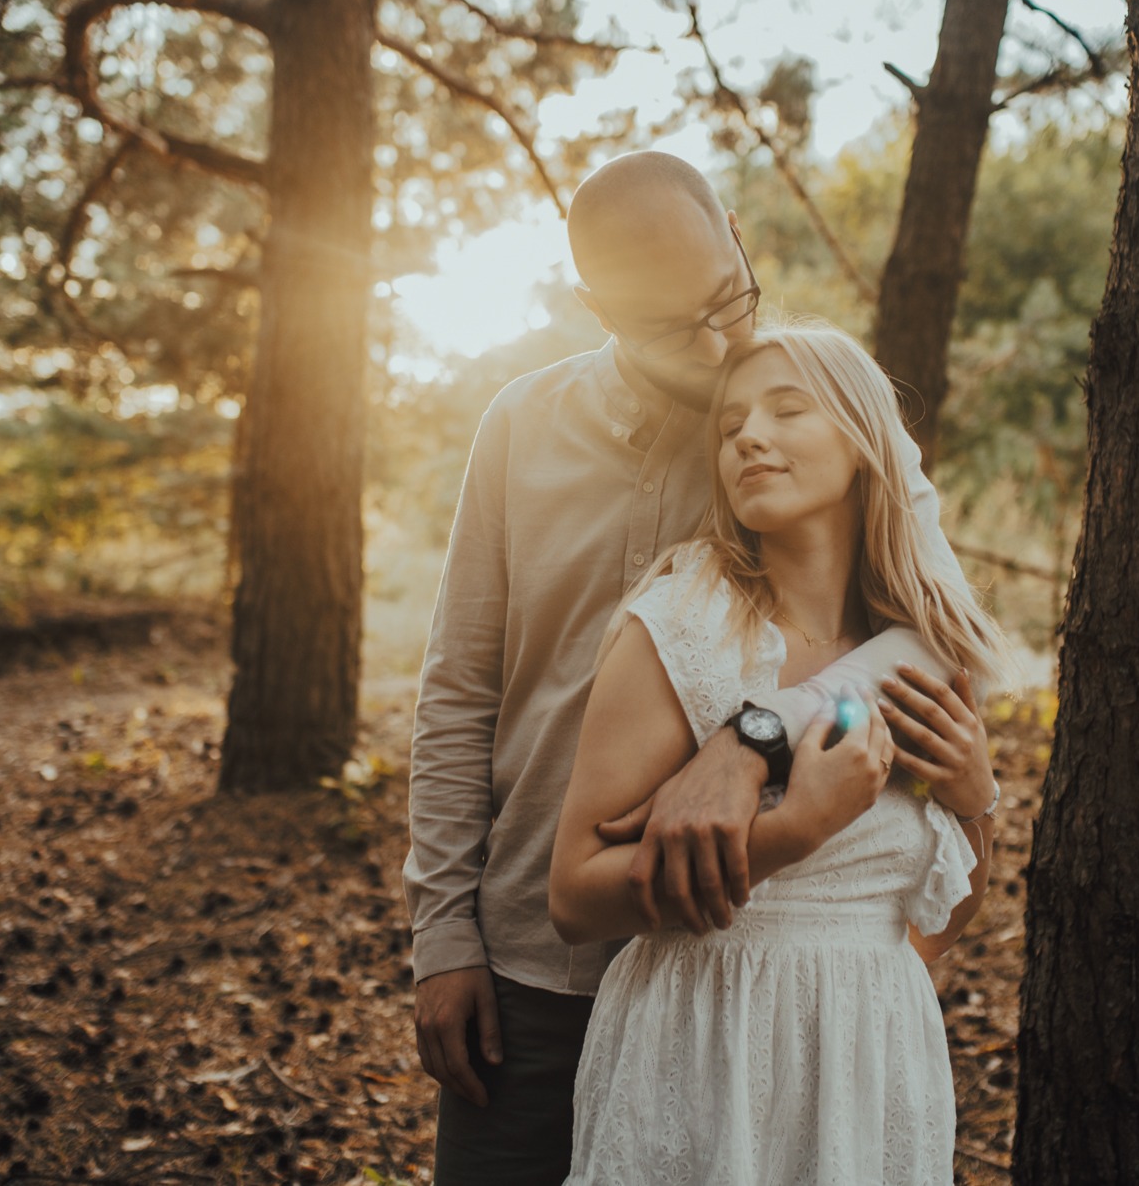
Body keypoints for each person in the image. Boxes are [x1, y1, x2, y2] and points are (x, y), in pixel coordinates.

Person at [403, 151, 967, 1185]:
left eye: (729, 299)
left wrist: (755, 739)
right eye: (672, 328)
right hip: (528, 960)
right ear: (595, 306)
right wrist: (443, 938)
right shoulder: (517, 431)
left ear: (740, 234)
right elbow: (459, 696)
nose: (717, 346)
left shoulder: (811, 417)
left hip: (728, 969)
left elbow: (932, 640)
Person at [548, 323, 1008, 1185]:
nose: (748, 436)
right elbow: (575, 895)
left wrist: (978, 796)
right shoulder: (683, 629)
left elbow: (937, 923)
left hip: (873, 1062)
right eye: (730, 427)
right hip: (704, 1048)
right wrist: (788, 833)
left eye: (787, 409)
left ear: (866, 441)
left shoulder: (923, 649)